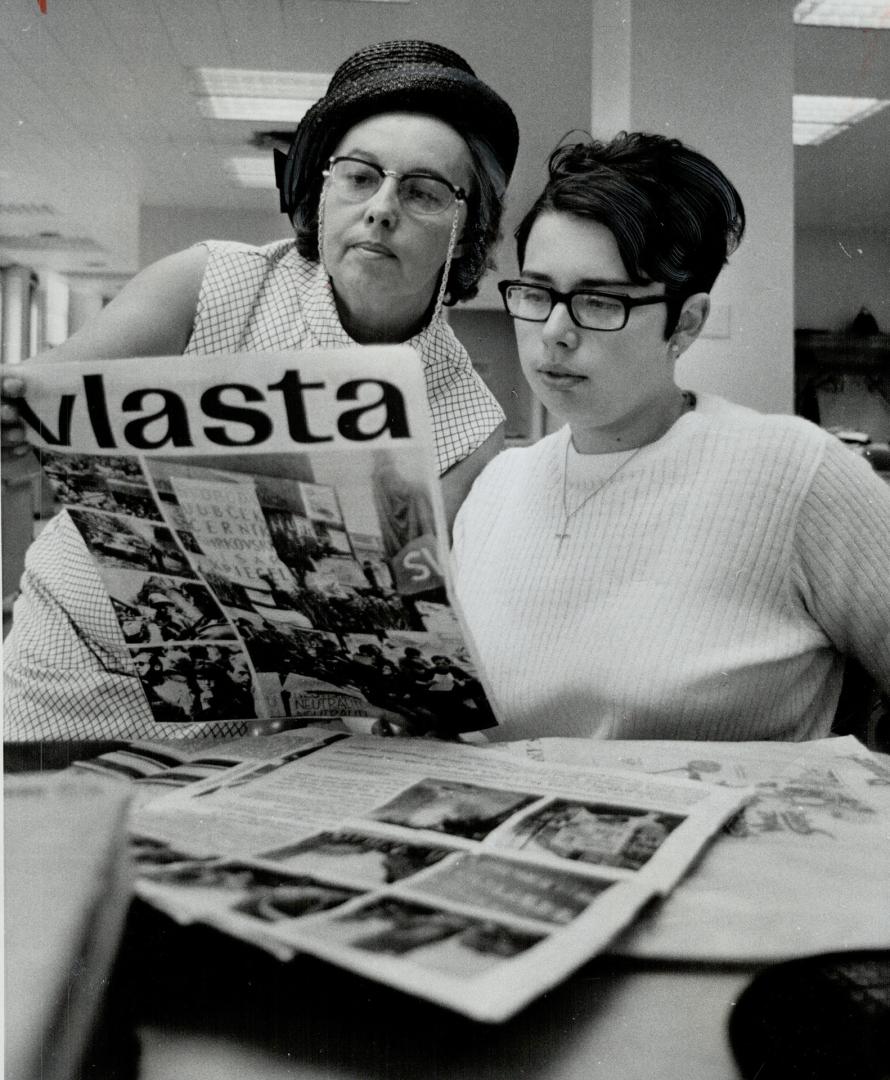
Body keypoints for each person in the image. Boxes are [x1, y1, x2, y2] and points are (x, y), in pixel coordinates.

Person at [3, 39, 518, 741]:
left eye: (425, 192)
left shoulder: (468, 421)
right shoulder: (211, 281)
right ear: (319, 190)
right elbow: (47, 393)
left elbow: (412, 616)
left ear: (467, 229)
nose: (382, 209)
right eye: (359, 177)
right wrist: (15, 427)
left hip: (267, 719)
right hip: (68, 665)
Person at [452, 132, 890, 743]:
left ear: (686, 322)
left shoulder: (795, 472)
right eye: (536, 292)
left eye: (600, 301)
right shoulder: (498, 486)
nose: (554, 331)